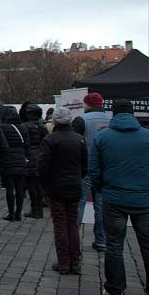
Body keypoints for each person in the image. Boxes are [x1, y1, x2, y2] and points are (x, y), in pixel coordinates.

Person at [89, 99, 149, 295]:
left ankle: (115, 288)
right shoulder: (147, 136)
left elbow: (94, 170)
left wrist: (103, 189)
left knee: (114, 245)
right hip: (143, 199)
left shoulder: (102, 137)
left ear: (112, 113)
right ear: (133, 114)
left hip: (114, 198)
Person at [37, 107, 86, 275]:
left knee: (60, 224)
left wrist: (45, 183)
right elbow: (84, 165)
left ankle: (64, 262)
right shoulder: (79, 139)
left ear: (55, 121)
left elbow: (43, 166)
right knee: (72, 224)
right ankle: (75, 261)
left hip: (56, 188)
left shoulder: (50, 140)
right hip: (74, 186)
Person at [75, 92, 111, 252]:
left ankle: (74, 238)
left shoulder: (81, 120)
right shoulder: (111, 120)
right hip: (105, 168)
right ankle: (101, 240)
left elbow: (75, 143)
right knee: (100, 205)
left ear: (88, 104)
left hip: (86, 167)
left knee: (80, 201)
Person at [0, 106, 28, 221]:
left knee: (10, 188)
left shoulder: (2, 128)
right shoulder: (23, 127)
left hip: (8, 160)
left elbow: (1, 144)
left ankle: (11, 213)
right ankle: (18, 213)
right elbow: (27, 144)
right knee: (20, 188)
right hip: (21, 159)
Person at [22, 103, 47, 219]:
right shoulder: (42, 126)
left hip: (29, 158)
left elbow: (24, 143)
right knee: (39, 185)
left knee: (31, 185)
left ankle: (35, 210)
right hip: (40, 157)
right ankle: (39, 210)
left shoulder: (25, 126)